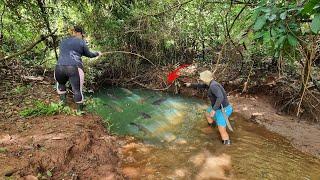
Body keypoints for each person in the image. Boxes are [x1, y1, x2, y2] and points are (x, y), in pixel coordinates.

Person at [54, 26, 100, 111]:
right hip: (74, 68)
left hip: (59, 67)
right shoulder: (81, 41)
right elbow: (89, 54)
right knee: (77, 91)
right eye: (82, 35)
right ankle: (80, 112)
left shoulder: (63, 41)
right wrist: (97, 53)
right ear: (79, 33)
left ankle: (63, 106)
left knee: (61, 85)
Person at [185, 70, 233, 145]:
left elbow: (220, 97)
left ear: (206, 78)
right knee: (207, 114)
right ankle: (212, 127)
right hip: (217, 107)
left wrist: (214, 110)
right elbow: (201, 85)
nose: (201, 79)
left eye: (202, 78)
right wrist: (190, 84)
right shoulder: (210, 83)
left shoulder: (213, 86)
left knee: (221, 129)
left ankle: (227, 144)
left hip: (224, 109)